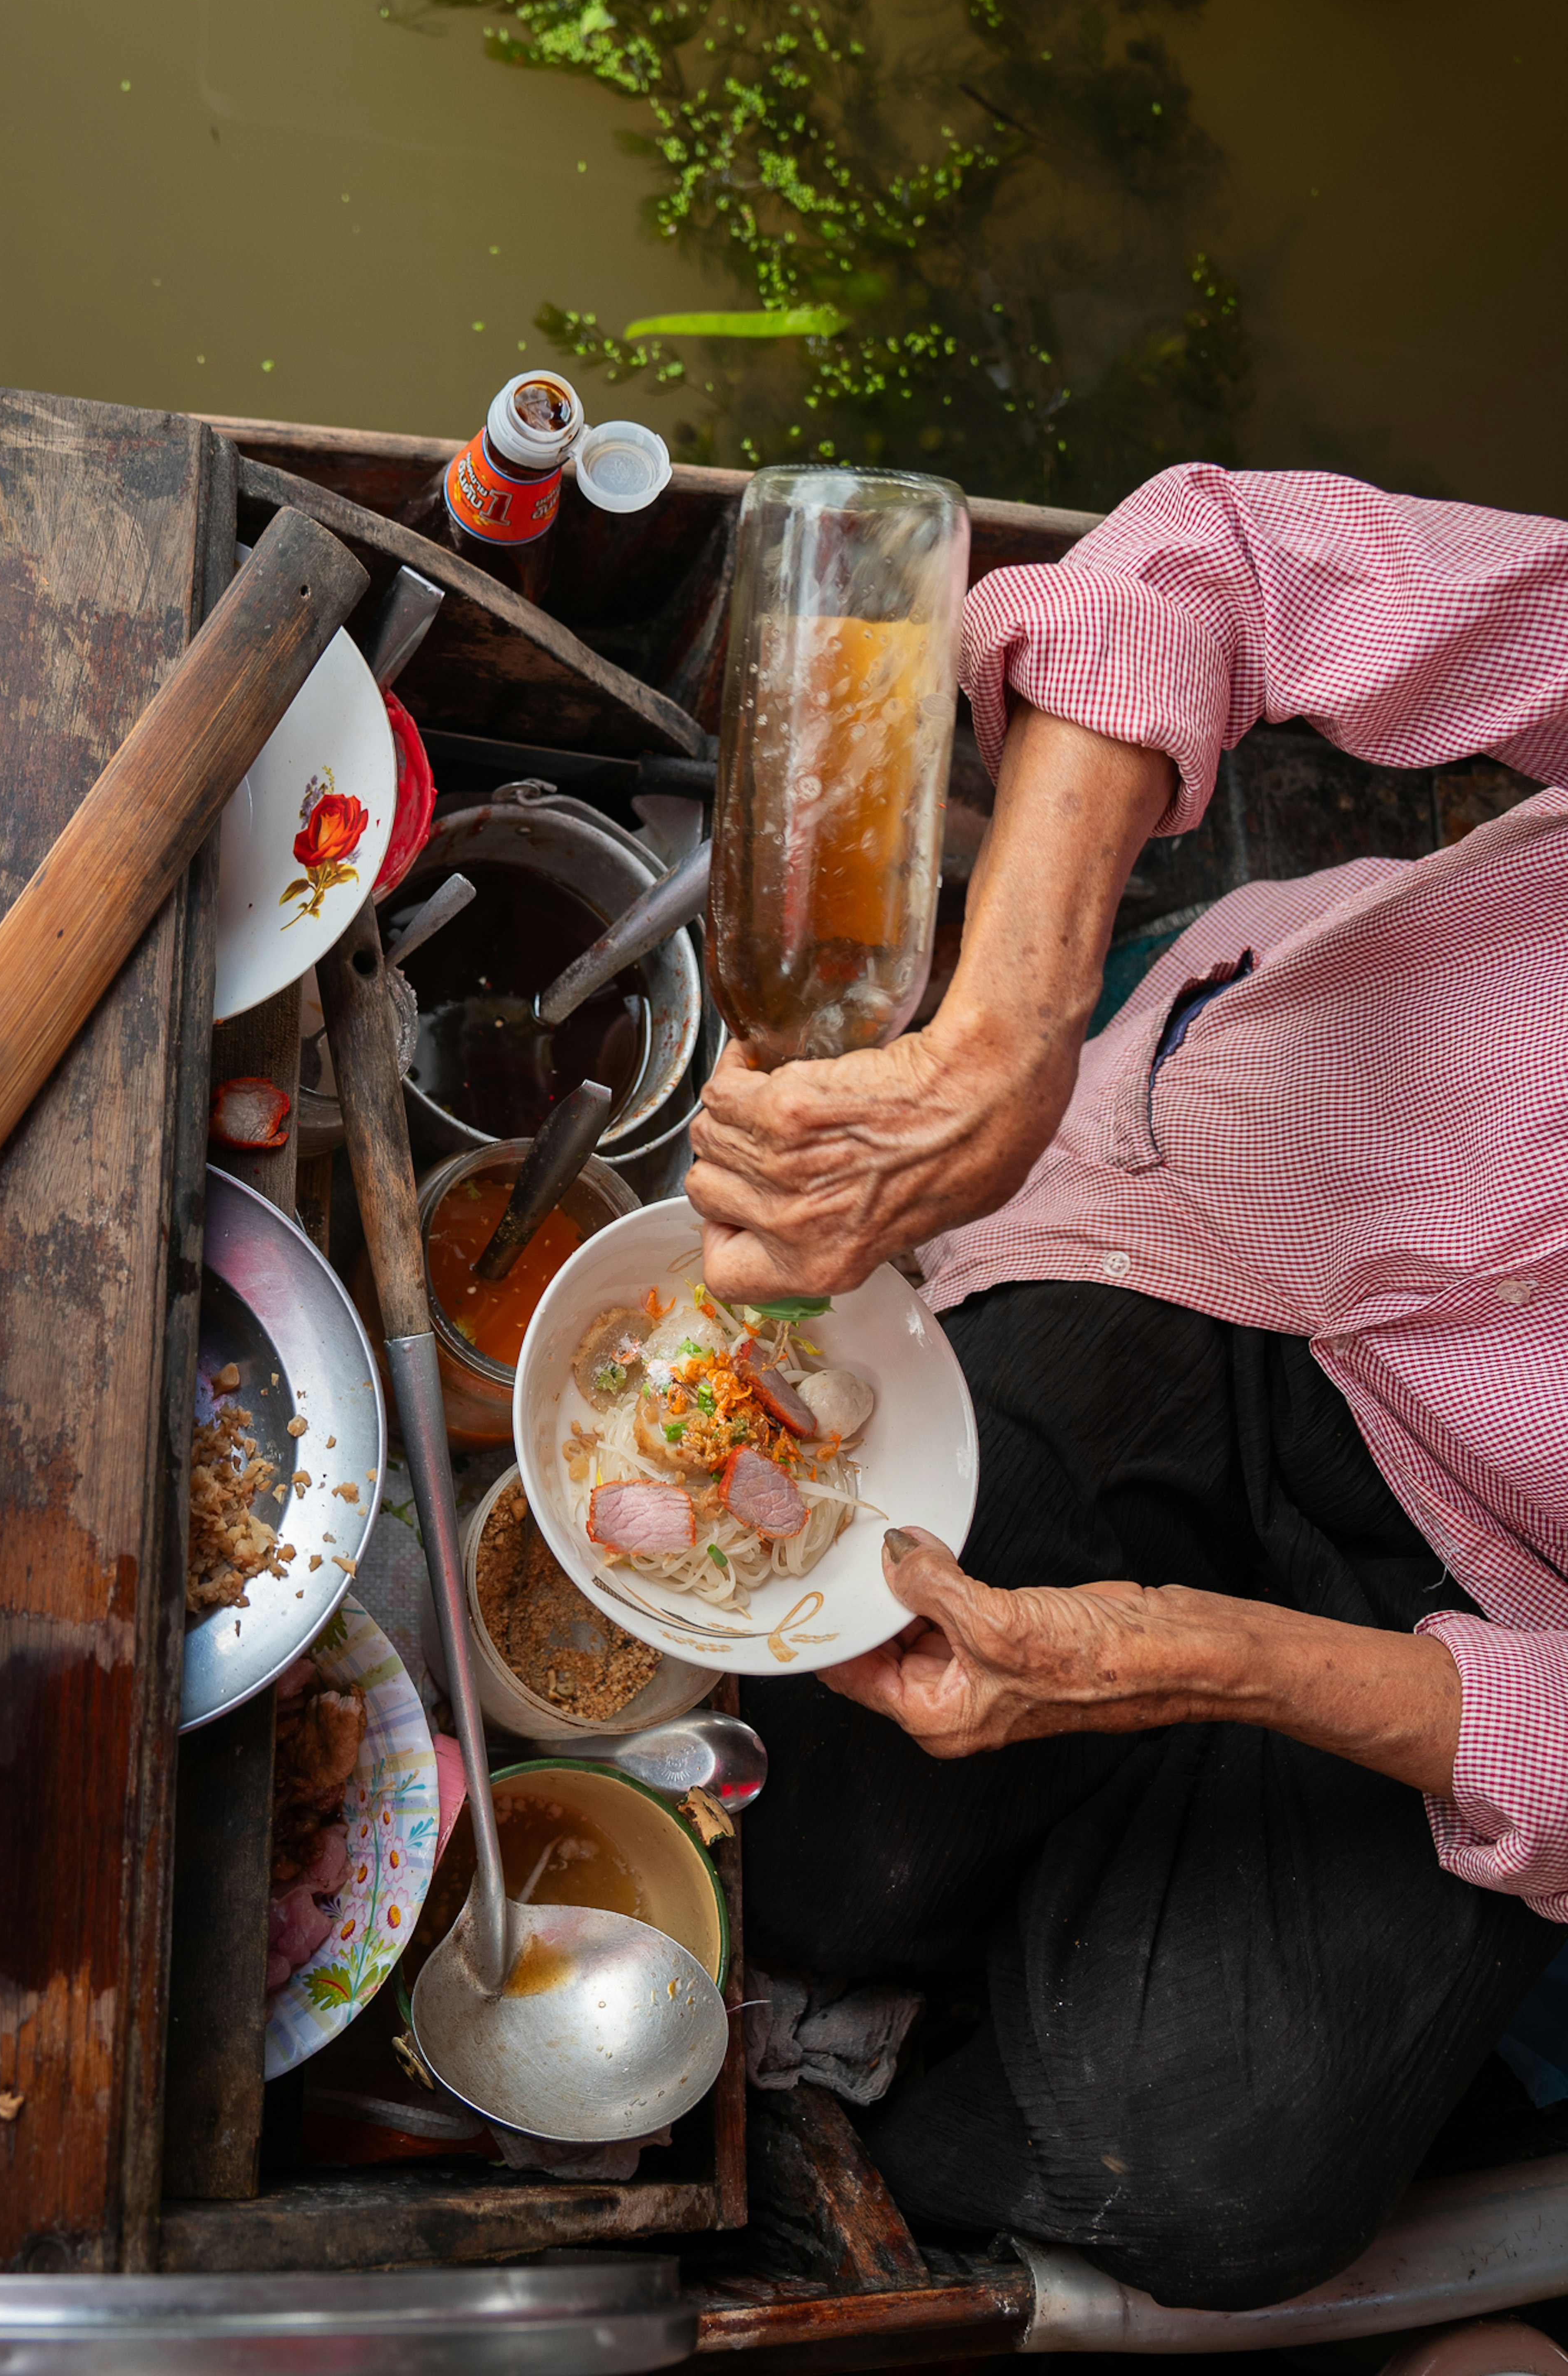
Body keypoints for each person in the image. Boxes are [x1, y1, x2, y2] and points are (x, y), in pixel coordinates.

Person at [684, 464, 1568, 2311]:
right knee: (828, 1829)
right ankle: (938, 1907)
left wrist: (1192, 1658)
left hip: (1490, 1611)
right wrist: (1006, 1036)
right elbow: (1217, 561)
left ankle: (882, 2137)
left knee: (1213, 2175)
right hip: (1233, 1199)